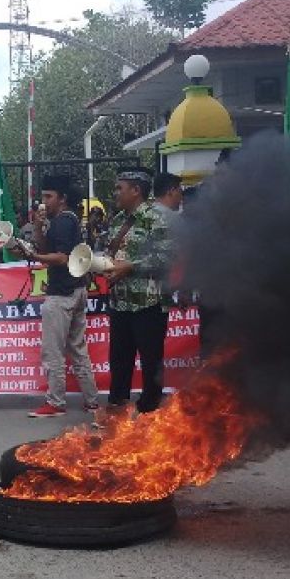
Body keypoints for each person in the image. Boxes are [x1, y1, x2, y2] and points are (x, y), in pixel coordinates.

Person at [15, 175, 100, 418]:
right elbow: (46, 249)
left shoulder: (63, 222)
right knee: (78, 349)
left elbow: (61, 258)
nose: (44, 202)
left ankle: (56, 402)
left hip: (61, 294)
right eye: (42, 197)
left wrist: (33, 257)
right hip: (76, 290)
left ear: (62, 199)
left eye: (48, 197)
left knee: (53, 350)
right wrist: (39, 228)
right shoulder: (65, 220)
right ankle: (92, 401)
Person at [103, 167, 173, 414]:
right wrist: (102, 264)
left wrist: (130, 266)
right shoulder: (118, 221)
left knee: (151, 360)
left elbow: (167, 257)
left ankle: (150, 409)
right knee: (119, 360)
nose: (115, 193)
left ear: (136, 190)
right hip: (120, 301)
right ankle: (116, 407)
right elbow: (112, 254)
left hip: (149, 303)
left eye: (119, 188)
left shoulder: (158, 218)